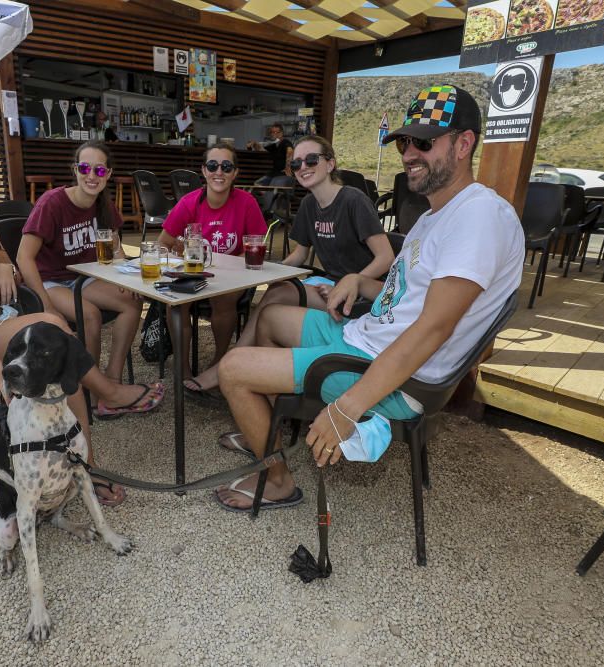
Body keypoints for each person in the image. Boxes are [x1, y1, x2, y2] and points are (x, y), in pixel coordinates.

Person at [213, 85, 525, 511]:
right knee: (271, 317)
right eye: (404, 142)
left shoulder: (479, 216)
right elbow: (406, 299)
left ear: (463, 143)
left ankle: (278, 479)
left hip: (388, 371)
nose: (409, 153)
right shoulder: (437, 215)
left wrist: (347, 408)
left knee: (232, 369)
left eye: (424, 142)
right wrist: (360, 283)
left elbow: (434, 328)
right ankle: (267, 432)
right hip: (366, 337)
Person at [0, 143, 161, 506]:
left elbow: (4, 252)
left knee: (53, 336)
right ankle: (105, 408)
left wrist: (3, 264)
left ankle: (86, 462)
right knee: (54, 338)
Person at [184, 135, 394, 399]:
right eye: (296, 164)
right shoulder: (309, 205)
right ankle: (255, 382)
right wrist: (267, 271)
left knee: (277, 294)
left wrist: (351, 282)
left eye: (311, 160)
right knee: (276, 291)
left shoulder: (352, 200)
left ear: (330, 164)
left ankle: (228, 368)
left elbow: (385, 257)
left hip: (365, 294)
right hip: (329, 285)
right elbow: (299, 255)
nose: (302, 167)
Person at [17, 140, 160, 419]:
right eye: (85, 168)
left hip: (85, 278)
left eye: (99, 170)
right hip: (51, 280)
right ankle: (91, 392)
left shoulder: (104, 205)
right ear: (75, 169)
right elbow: (24, 257)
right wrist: (45, 305)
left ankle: (111, 384)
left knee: (132, 303)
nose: (91, 176)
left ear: (107, 174)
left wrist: (125, 279)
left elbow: (116, 249)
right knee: (90, 315)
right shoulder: (52, 203)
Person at [157, 143, 267, 383]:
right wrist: (176, 255)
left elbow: (256, 249)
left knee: (223, 296)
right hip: (195, 272)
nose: (219, 172)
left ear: (235, 173)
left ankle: (219, 363)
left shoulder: (246, 202)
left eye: (226, 166)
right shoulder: (189, 202)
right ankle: (182, 369)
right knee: (175, 302)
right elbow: (162, 243)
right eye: (213, 165)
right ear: (204, 171)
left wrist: (226, 266)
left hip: (232, 275)